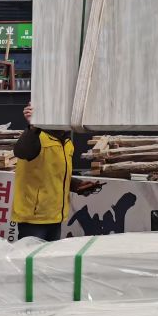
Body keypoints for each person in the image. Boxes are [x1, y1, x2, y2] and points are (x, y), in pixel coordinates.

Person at [11, 103, 101, 241]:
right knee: (32, 255)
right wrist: (33, 127)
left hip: (56, 216)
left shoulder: (66, 141)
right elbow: (21, 152)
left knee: (49, 255)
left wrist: (76, 185)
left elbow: (54, 173)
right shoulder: (36, 136)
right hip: (34, 218)